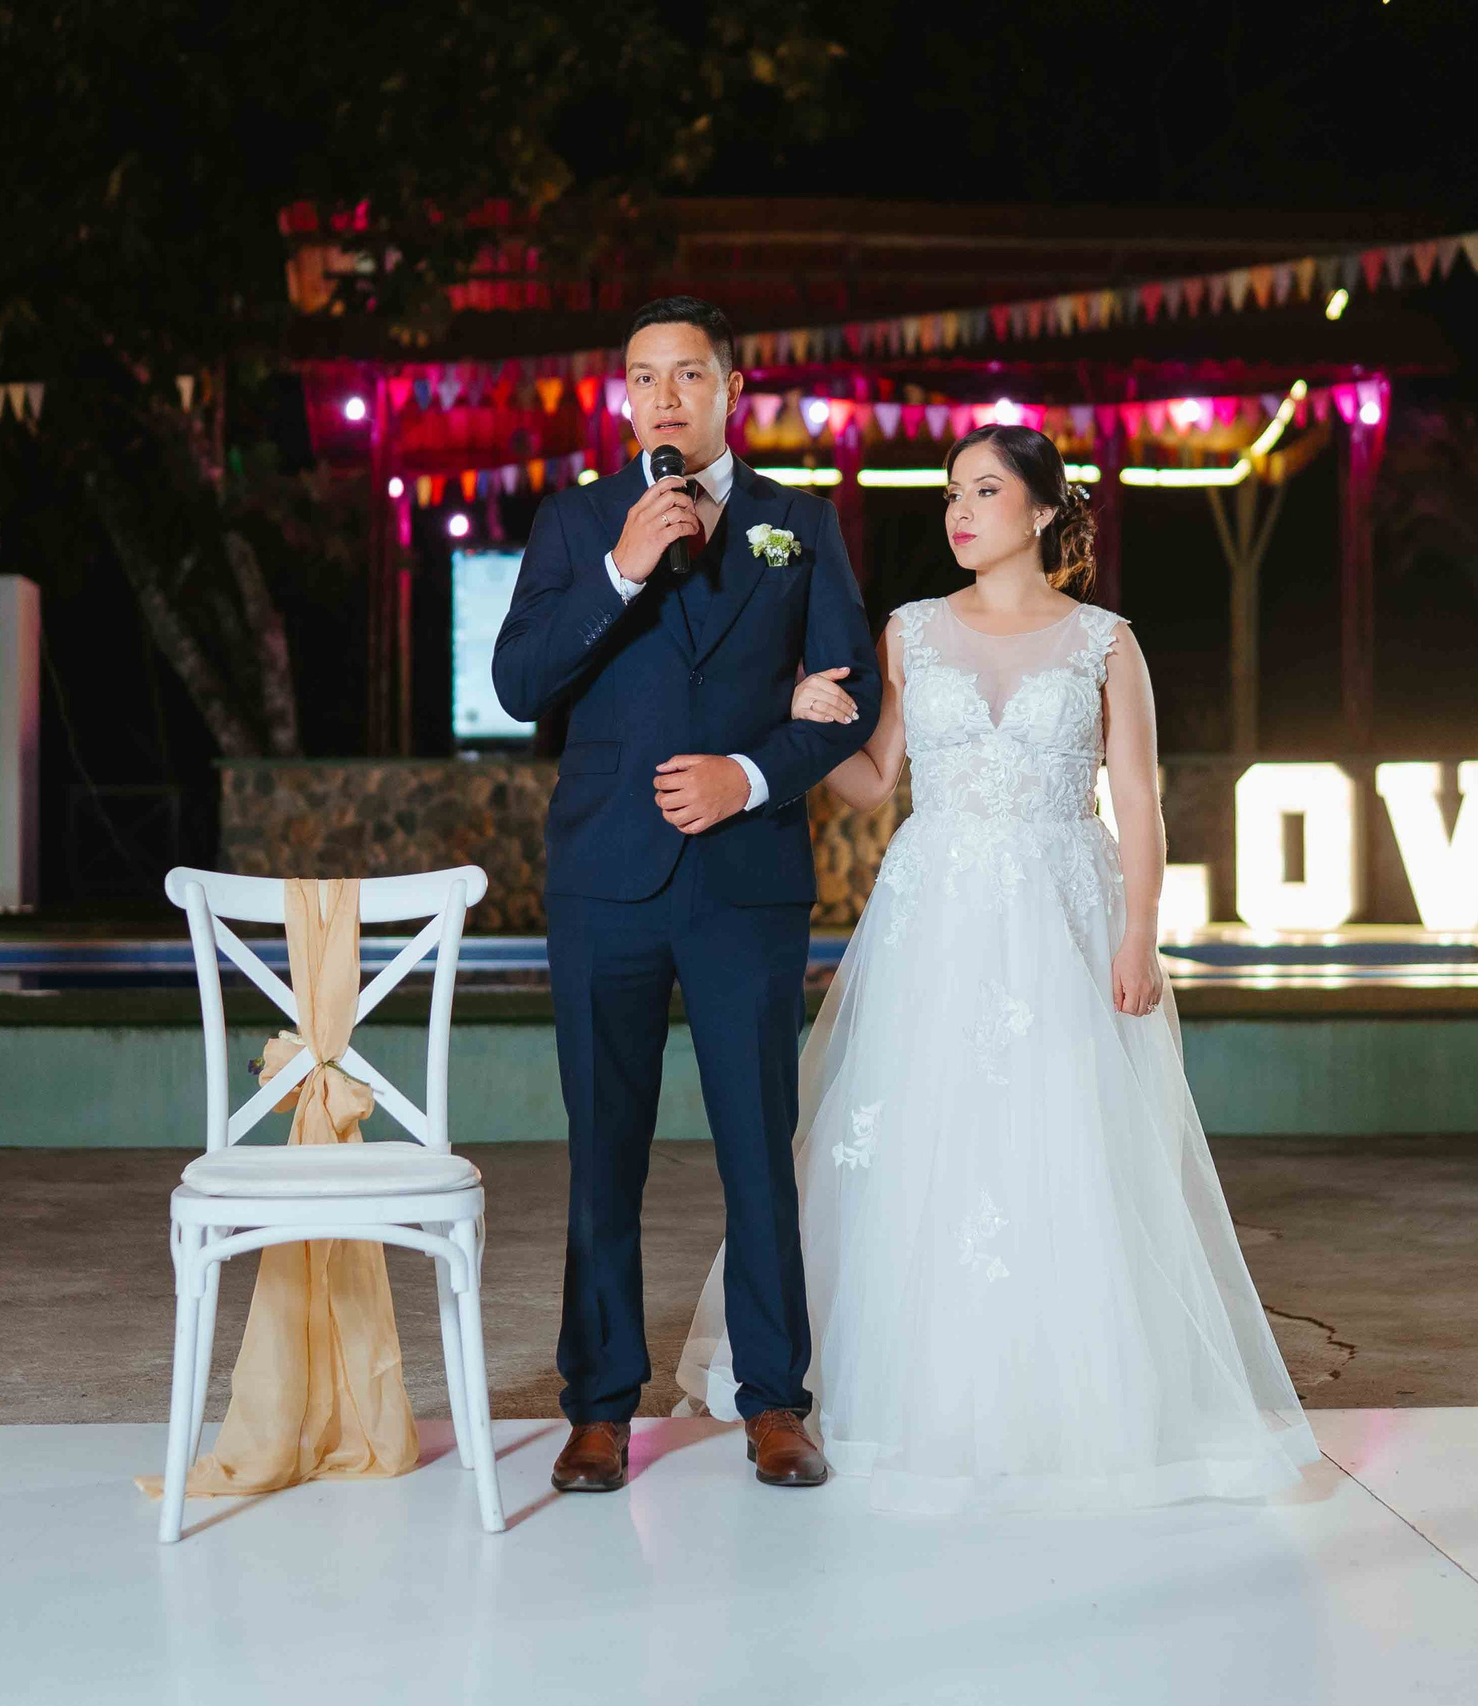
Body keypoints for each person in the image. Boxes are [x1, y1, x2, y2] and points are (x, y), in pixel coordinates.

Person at [675, 424, 1320, 1514]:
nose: (958, 512)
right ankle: (908, 1390)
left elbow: (1141, 802)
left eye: (982, 491)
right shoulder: (910, 632)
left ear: (1038, 510)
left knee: (1063, 1141)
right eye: (949, 493)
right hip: (938, 915)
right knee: (923, 1139)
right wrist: (806, 721)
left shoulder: (1105, 641)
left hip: (1063, 911)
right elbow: (878, 782)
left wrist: (1141, 935)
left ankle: (1070, 1399)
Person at [493, 297, 882, 1493]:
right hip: (607, 880)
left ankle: (775, 1402)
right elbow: (518, 683)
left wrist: (751, 772)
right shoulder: (575, 525)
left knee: (758, 1150)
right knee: (601, 1147)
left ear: (729, 392)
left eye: (688, 374)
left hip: (744, 885)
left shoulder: (796, 525)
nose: (664, 395)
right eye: (643, 377)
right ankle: (600, 1407)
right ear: (623, 401)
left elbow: (848, 701)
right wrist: (620, 569)